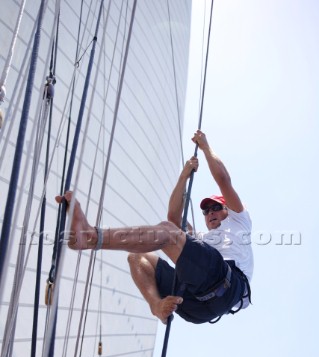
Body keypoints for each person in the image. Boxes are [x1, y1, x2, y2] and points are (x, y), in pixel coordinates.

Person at [56, 130, 253, 325]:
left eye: (216, 207)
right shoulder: (200, 241)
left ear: (228, 208)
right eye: (206, 211)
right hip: (196, 308)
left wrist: (205, 147)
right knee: (138, 257)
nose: (210, 212)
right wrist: (184, 176)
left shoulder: (239, 221)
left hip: (229, 284)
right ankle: (157, 306)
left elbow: (223, 180)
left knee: (168, 233)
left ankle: (91, 237)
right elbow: (173, 218)